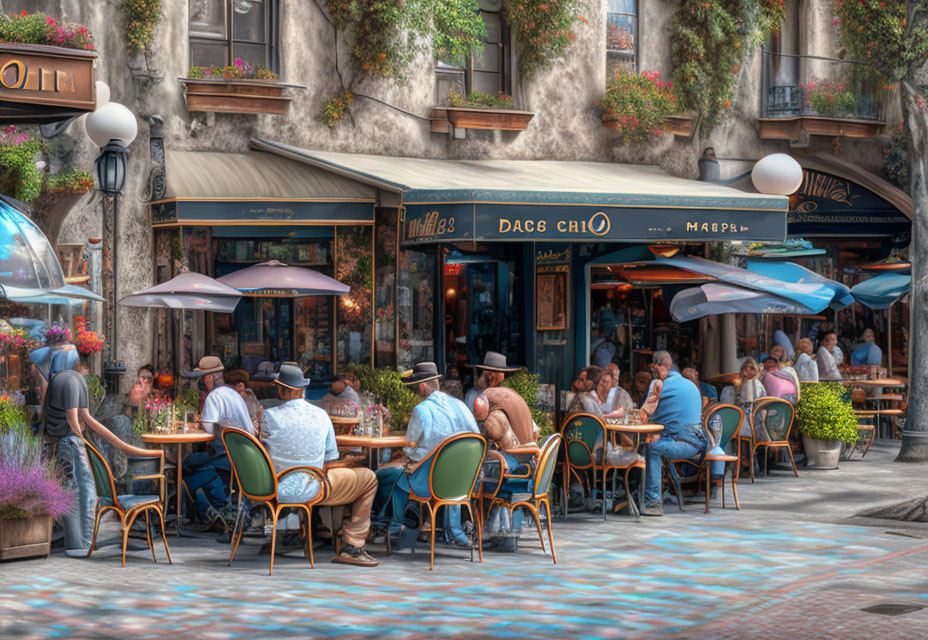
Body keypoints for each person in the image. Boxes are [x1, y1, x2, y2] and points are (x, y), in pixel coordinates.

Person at [31, 342, 162, 557]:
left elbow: (88, 419)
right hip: (70, 442)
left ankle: (83, 543)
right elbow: (75, 419)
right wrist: (85, 442)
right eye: (85, 364)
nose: (88, 371)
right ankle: (79, 545)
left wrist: (119, 444)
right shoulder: (70, 380)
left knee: (81, 493)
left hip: (68, 441)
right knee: (81, 493)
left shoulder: (63, 380)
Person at [261, 363, 379, 566]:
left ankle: (315, 530)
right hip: (313, 488)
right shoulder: (321, 415)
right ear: (303, 390)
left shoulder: (268, 416)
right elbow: (331, 458)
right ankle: (351, 544)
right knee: (368, 478)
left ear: (281, 390)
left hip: (274, 489)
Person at [375, 363, 479, 551]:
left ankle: (397, 527)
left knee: (395, 479)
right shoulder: (461, 406)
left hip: (431, 482)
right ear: (436, 383)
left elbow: (409, 447)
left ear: (423, 387)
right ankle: (454, 529)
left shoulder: (422, 410)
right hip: (462, 481)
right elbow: (475, 438)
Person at [182, 356, 253, 532]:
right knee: (193, 462)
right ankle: (216, 505)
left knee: (187, 465)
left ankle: (217, 508)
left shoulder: (214, 396)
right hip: (244, 455)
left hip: (226, 456)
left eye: (203, 377)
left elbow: (207, 430)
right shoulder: (232, 393)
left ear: (210, 378)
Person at [639, 351, 706, 517]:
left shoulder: (660, 386)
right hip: (699, 441)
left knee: (652, 448)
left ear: (658, 367)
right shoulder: (690, 384)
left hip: (685, 443)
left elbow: (645, 416)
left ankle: (653, 501)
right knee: (658, 443)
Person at [469, 351, 539, 450]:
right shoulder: (513, 395)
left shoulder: (488, 396)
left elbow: (481, 432)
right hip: (530, 455)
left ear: (490, 375)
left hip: (512, 458)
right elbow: (535, 431)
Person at [720, 357, 767, 439]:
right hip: (736, 415)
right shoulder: (733, 386)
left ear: (755, 371)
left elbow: (755, 400)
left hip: (753, 417)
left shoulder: (756, 384)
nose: (747, 370)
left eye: (751, 368)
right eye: (745, 367)